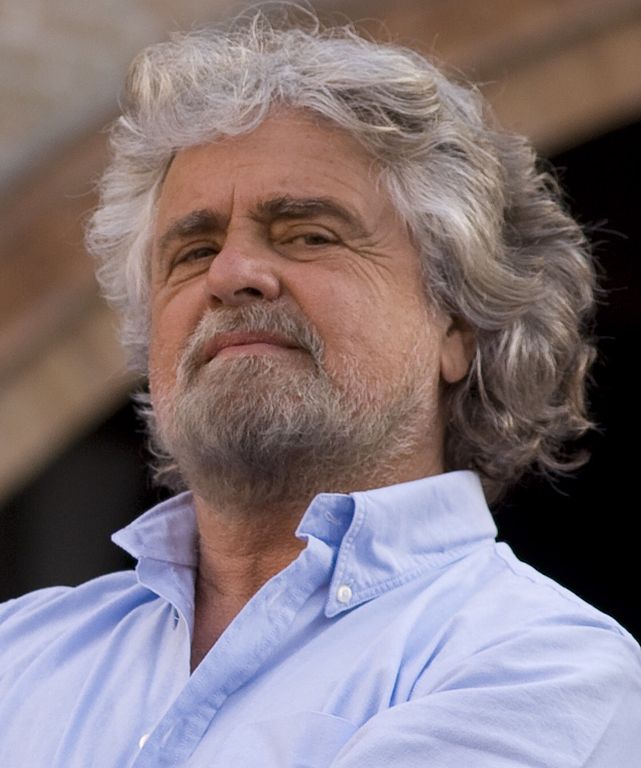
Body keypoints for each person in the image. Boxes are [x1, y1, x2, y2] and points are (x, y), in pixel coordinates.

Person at [1, 8, 640, 767]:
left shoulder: (540, 667)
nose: (231, 274)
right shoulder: (20, 650)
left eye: (308, 235)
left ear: (460, 325)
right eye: (193, 250)